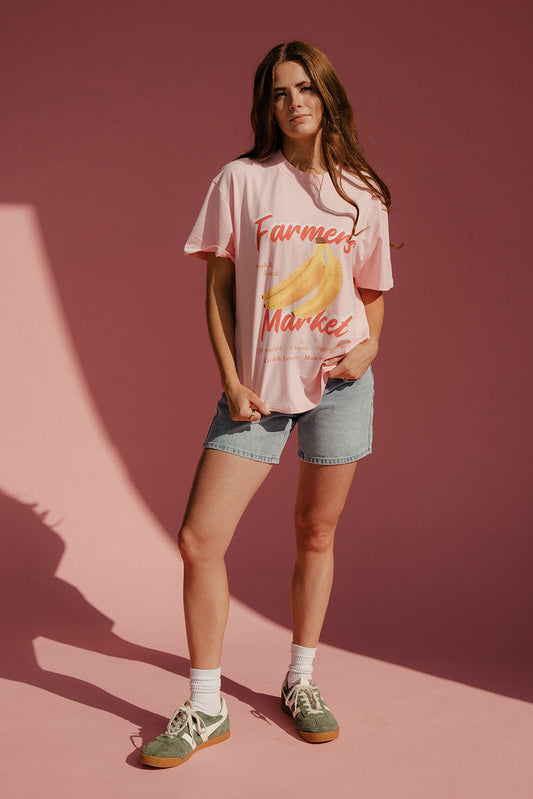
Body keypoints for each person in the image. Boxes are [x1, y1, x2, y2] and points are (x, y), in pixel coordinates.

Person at [139, 40, 394, 768]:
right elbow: (218, 288)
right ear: (266, 105)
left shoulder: (362, 193)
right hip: (257, 389)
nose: (294, 103)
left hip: (340, 384)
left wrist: (368, 350)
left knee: (315, 531)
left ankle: (301, 680)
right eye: (279, 92)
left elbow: (371, 292)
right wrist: (229, 375)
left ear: (327, 96)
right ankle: (207, 702)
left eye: (306, 88)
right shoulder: (241, 181)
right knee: (199, 539)